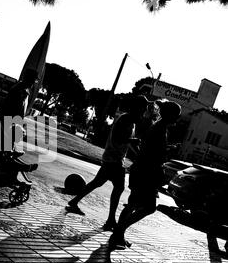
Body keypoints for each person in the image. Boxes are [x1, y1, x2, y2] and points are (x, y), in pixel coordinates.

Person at [65, 95, 149, 232]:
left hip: (113, 159)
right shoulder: (125, 119)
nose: (145, 111)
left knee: (97, 183)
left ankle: (75, 201)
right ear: (137, 107)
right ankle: (110, 220)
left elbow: (128, 141)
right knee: (118, 188)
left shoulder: (131, 122)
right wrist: (131, 141)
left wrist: (137, 151)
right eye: (143, 108)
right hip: (113, 160)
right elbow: (118, 138)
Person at [109, 99, 182, 250]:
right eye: (176, 115)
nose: (177, 118)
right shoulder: (160, 129)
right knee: (147, 207)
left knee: (133, 205)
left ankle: (118, 233)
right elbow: (154, 155)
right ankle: (118, 231)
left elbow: (150, 150)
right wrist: (167, 153)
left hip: (142, 172)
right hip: (145, 174)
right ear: (169, 115)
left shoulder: (158, 127)